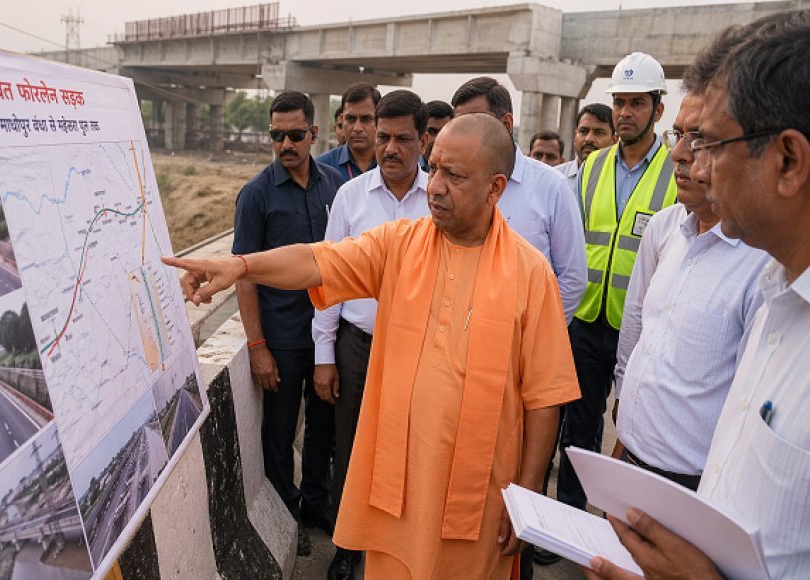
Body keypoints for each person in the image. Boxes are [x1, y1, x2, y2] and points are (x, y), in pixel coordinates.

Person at [164, 113, 580, 579]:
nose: (436, 186)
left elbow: (545, 398)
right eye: (435, 166)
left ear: (496, 188)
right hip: (399, 489)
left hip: (476, 502)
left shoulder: (530, 275)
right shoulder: (400, 245)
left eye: (454, 175)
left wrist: (524, 497)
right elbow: (316, 261)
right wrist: (241, 266)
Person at [586, 11, 810, 579]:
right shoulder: (780, 297)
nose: (691, 160)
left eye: (709, 142)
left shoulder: (762, 280)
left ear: (787, 161)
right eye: (685, 140)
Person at [611, 90, 768, 490]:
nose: (677, 153)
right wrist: (625, 423)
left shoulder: (764, 263)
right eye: (676, 135)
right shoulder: (665, 229)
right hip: (631, 455)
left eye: (698, 139)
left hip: (695, 486)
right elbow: (636, 331)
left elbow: (752, 409)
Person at [312, 89, 431, 580]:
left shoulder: (439, 199)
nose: (390, 148)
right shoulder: (349, 197)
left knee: (414, 451)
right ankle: (349, 548)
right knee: (351, 448)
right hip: (358, 346)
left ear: (424, 141)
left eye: (403, 138)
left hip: (422, 350)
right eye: (383, 137)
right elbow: (326, 274)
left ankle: (404, 547)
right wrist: (325, 355)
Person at [557, 52, 678, 513]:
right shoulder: (591, 167)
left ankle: (618, 523)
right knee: (579, 426)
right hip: (587, 320)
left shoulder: (674, 172)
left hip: (644, 331)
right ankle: (569, 514)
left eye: (636, 103)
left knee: (634, 432)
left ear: (657, 109)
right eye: (620, 103)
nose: (625, 113)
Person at [231, 91, 342, 556]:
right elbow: (243, 276)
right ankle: (285, 515)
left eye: (296, 134)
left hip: (329, 334)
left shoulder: (336, 186)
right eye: (277, 135)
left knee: (324, 429)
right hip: (281, 340)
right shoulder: (256, 196)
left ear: (313, 134)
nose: (285, 144)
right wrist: (257, 345)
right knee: (278, 435)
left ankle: (316, 503)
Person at [451, 76, 586, 324]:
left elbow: (572, 279)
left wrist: (536, 334)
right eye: (458, 125)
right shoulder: (452, 183)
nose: (462, 136)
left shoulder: (552, 186)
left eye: (474, 124)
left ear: (506, 124)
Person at [318, 83, 380, 182]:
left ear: (379, 120)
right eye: (351, 119)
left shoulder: (391, 165)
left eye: (366, 119)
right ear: (342, 120)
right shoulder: (321, 168)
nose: (357, 128)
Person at [556, 104, 617, 191]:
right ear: (575, 136)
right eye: (583, 131)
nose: (589, 139)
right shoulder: (556, 177)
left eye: (599, 132)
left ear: (614, 140)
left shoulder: (621, 180)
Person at [421, 100, 453, 172]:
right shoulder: (409, 166)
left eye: (444, 132)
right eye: (431, 131)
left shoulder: (458, 168)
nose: (437, 138)